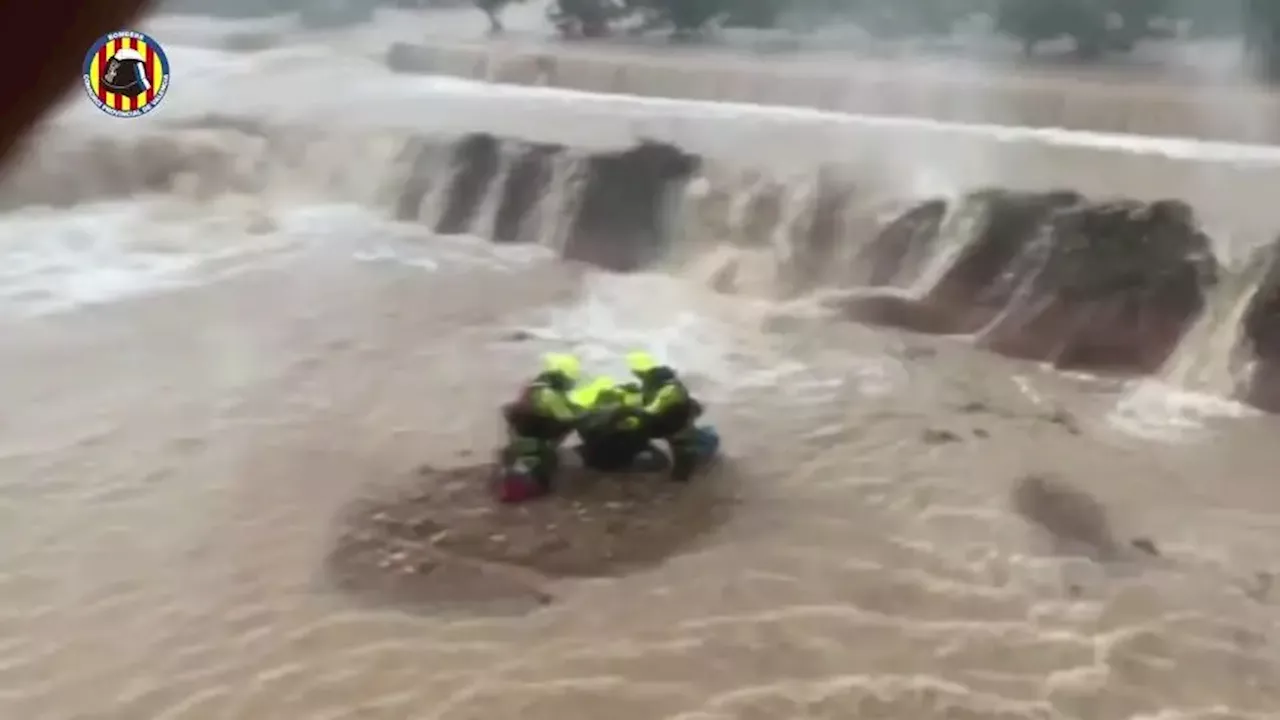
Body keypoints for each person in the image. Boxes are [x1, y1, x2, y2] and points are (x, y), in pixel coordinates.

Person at [498, 352, 583, 500]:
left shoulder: (535, 386)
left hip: (522, 431)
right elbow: (566, 417)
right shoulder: (549, 393)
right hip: (539, 433)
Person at [625, 350, 705, 481]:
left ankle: (680, 483)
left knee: (683, 461)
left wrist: (632, 415)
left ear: (638, 371)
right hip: (676, 417)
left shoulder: (666, 388)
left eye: (634, 371)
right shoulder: (657, 379)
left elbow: (652, 410)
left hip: (675, 423)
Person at [570, 376, 661, 473]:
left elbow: (581, 429)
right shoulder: (627, 411)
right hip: (619, 460)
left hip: (595, 459)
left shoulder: (587, 414)